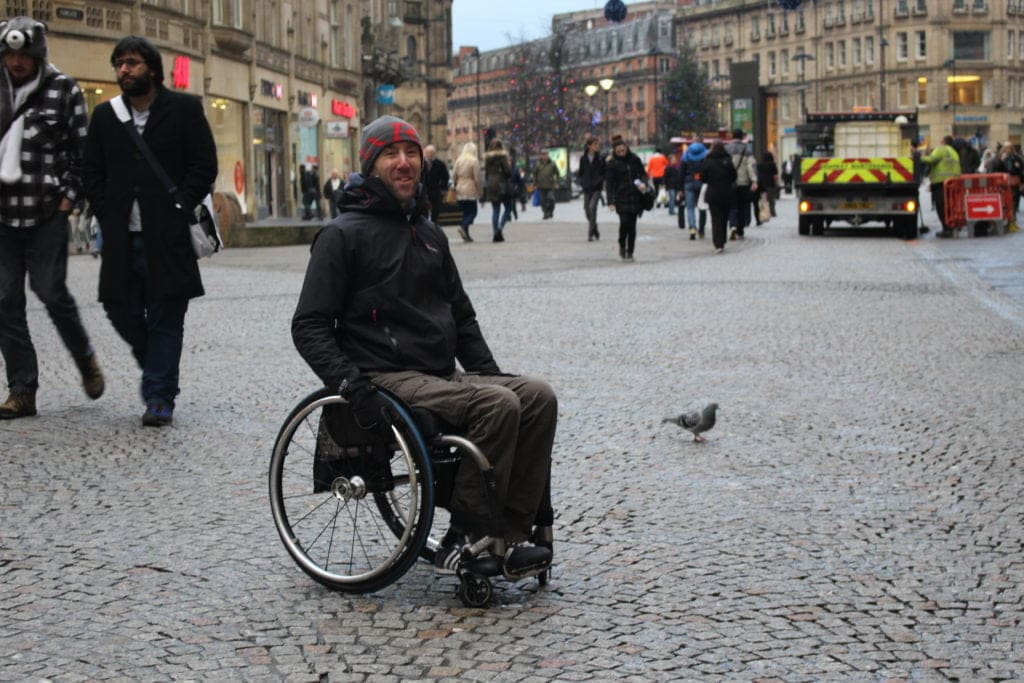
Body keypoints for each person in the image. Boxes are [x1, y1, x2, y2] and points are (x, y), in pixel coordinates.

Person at [291, 115, 556, 577]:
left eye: (411, 152)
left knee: (536, 396)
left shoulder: (430, 234)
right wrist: (351, 384)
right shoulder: (342, 235)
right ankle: (471, 534)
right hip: (382, 374)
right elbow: (309, 324)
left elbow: (461, 316)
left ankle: (508, 533)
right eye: (391, 154)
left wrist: (490, 372)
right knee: (497, 406)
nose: (403, 162)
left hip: (436, 373)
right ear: (371, 165)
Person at [82, 35, 217, 426]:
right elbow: (91, 170)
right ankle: (157, 369)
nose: (124, 70)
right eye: (120, 63)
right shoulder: (106, 116)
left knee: (165, 318)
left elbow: (204, 165)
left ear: (153, 70)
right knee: (117, 308)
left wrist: (179, 205)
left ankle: (159, 396)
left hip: (168, 236)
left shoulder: (184, 110)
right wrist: (106, 209)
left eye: (133, 63)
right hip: (121, 237)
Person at [0, 16, 104, 419]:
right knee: (5, 301)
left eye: (23, 54)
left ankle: (85, 358)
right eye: (9, 53)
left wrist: (68, 200)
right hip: (3, 217)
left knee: (51, 294)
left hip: (46, 213)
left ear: (37, 53)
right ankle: (22, 390)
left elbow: (83, 151)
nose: (16, 62)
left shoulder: (63, 89)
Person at [604, 134, 647, 262]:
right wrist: (610, 201)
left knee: (632, 227)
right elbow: (609, 184)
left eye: (623, 150)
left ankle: (630, 251)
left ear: (626, 148)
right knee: (624, 223)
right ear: (615, 152)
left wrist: (643, 183)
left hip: (635, 196)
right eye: (619, 151)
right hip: (621, 197)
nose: (622, 153)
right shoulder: (612, 164)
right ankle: (622, 245)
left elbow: (643, 174)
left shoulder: (635, 159)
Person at [699, 141, 737, 254]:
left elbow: (703, 177)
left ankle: (718, 243)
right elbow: (734, 176)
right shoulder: (728, 161)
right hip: (726, 193)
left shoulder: (707, 161)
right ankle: (723, 240)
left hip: (713, 193)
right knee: (724, 217)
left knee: (715, 218)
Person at [921, 135, 961, 238]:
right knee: (950, 207)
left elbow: (931, 159)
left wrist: (917, 157)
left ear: (943, 141)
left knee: (941, 207)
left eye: (941, 140)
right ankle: (951, 227)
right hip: (952, 182)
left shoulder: (941, 149)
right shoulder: (954, 151)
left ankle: (946, 229)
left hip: (941, 183)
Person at [726, 129, 758, 241]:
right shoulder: (747, 149)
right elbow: (751, 166)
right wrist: (754, 180)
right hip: (743, 183)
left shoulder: (727, 149)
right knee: (742, 206)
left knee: (732, 206)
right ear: (742, 137)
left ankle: (733, 225)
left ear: (732, 136)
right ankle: (740, 229)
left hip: (730, 183)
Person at [451, 141, 481, 242]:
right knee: (473, 212)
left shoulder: (459, 160)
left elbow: (454, 175)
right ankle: (463, 226)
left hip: (460, 187)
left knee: (465, 212)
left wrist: (455, 185)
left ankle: (466, 234)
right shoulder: (474, 161)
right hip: (470, 187)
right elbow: (477, 178)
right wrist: (480, 191)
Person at [483, 138, 512, 242]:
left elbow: (486, 172)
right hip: (501, 184)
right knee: (508, 208)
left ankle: (495, 233)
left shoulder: (487, 158)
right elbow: (508, 171)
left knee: (496, 209)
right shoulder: (502, 156)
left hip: (491, 184)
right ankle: (500, 228)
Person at [577, 136, 605, 241]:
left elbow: (604, 172)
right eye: (595, 144)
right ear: (589, 146)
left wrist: (600, 180)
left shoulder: (601, 158)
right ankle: (594, 227)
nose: (597, 146)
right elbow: (581, 172)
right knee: (587, 210)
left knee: (593, 208)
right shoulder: (583, 159)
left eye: (598, 144)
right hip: (587, 188)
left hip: (596, 188)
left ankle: (590, 234)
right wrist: (581, 181)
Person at [680, 141, 708, 240]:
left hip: (688, 183)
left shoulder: (685, 156)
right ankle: (701, 229)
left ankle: (692, 228)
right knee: (702, 207)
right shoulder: (705, 156)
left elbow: (681, 173)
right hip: (701, 183)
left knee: (690, 207)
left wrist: (680, 188)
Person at [422, 144, 450, 225]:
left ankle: (434, 224)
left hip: (435, 190)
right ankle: (425, 224)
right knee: (424, 208)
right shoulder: (421, 164)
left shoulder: (440, 164)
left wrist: (443, 187)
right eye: (427, 152)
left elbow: (445, 177)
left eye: (431, 153)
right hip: (424, 190)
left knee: (436, 209)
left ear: (434, 153)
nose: (429, 154)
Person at [755, 151, 779, 224]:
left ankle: (763, 212)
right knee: (771, 200)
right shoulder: (772, 164)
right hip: (771, 184)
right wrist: (776, 183)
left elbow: (757, 174)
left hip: (762, 184)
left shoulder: (759, 165)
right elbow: (775, 175)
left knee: (763, 200)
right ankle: (772, 212)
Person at [535, 154, 560, 219]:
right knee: (542, 201)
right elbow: (535, 174)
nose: (544, 156)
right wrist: (535, 184)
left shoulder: (552, 164)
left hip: (550, 186)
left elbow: (557, 173)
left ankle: (550, 211)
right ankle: (545, 213)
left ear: (548, 156)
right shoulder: (538, 164)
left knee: (551, 199)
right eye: (543, 155)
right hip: (541, 186)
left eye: (545, 155)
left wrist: (557, 182)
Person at [663, 152, 682, 217]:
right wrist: (665, 184)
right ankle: (671, 211)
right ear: (670, 160)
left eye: (675, 159)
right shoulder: (668, 168)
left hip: (676, 185)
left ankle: (672, 209)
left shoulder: (678, 166)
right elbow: (665, 177)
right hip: (670, 185)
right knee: (672, 197)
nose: (675, 160)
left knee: (673, 198)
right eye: (673, 159)